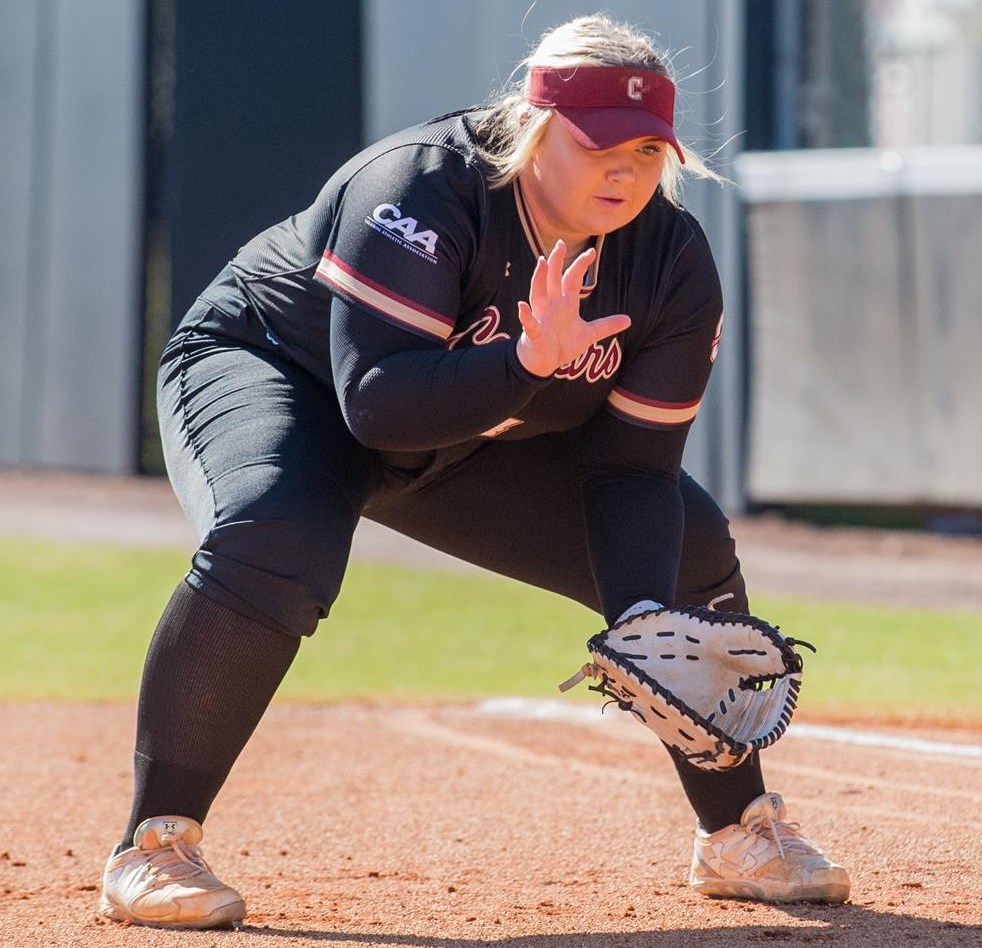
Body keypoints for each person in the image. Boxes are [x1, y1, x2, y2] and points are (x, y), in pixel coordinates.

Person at [99, 14, 850, 930]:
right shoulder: (420, 188)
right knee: (276, 536)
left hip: (474, 428)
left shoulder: (668, 262)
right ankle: (154, 846)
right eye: (601, 144)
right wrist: (527, 367)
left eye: (650, 149)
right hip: (279, 372)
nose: (627, 169)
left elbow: (633, 469)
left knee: (689, 557)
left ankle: (737, 831)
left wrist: (646, 618)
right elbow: (374, 406)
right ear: (536, 129)